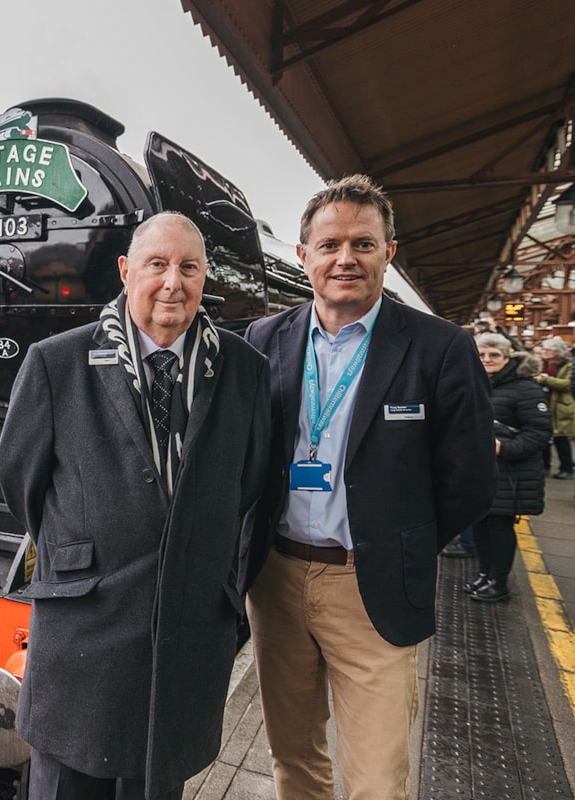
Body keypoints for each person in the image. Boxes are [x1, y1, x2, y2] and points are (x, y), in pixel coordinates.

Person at [239, 174, 498, 800]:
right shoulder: (263, 339)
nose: (345, 258)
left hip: (371, 583)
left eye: (363, 243)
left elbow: (470, 480)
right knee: (292, 758)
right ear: (303, 256)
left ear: (390, 251)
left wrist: (400, 542)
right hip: (276, 580)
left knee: (377, 780)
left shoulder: (441, 347)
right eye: (329, 245)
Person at [0, 212, 271, 800]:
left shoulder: (246, 370)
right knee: (67, 783)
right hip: (85, 626)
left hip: (188, 627)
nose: (173, 282)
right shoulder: (56, 363)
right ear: (126, 272)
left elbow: (249, 484)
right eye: (157, 264)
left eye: (189, 267)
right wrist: (78, 550)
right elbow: (18, 477)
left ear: (205, 278)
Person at [467, 334, 550, 601]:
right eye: (481, 355)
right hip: (480, 469)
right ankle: (484, 575)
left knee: (500, 527)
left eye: (494, 355)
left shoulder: (526, 389)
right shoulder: (477, 382)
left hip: (510, 473)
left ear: (507, 356)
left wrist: (503, 448)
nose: (487, 360)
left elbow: (539, 433)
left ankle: (498, 582)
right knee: (479, 523)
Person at [535, 336, 574, 479]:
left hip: (560, 406)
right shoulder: (542, 364)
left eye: (547, 349)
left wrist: (544, 380)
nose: (544, 352)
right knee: (544, 438)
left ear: (557, 351)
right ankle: (545, 467)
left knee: (561, 439)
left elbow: (566, 384)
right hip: (544, 404)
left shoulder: (568, 366)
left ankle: (567, 468)